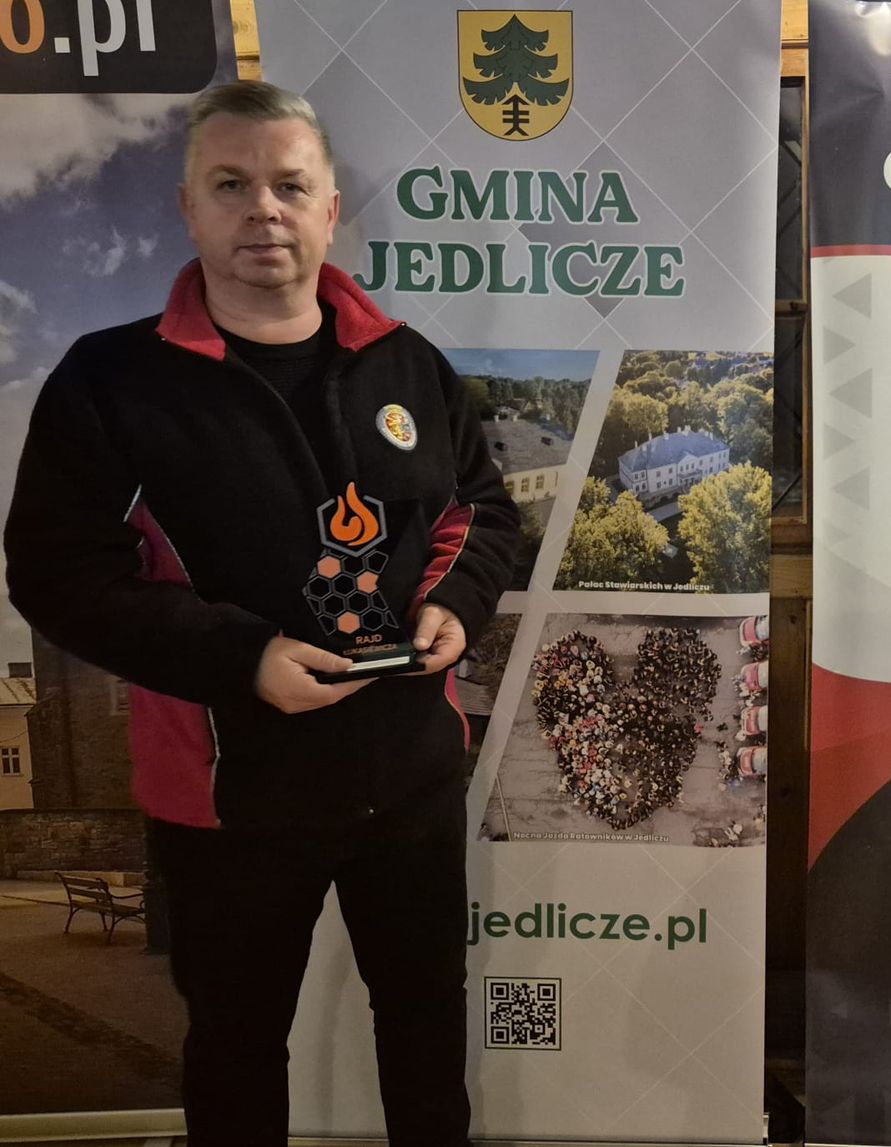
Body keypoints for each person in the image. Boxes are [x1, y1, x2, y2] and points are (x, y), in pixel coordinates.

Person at [3, 81, 519, 1145]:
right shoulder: (111, 379)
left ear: (330, 207)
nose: (263, 211)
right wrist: (240, 657)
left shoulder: (408, 363)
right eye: (231, 185)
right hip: (228, 795)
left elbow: (480, 510)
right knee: (236, 1052)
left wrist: (457, 604)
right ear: (188, 207)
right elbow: (55, 572)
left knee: (426, 1030)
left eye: (289, 185)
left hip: (410, 777)